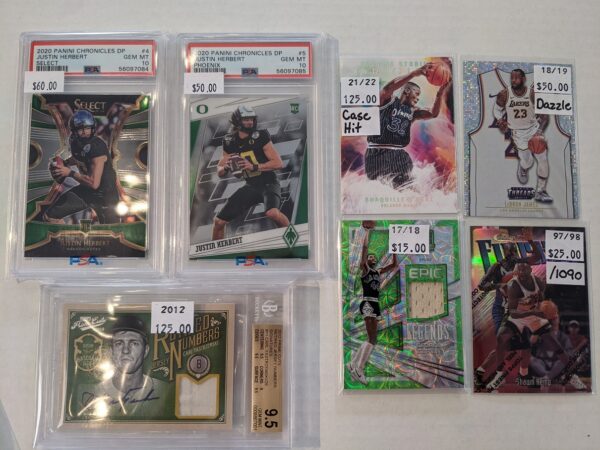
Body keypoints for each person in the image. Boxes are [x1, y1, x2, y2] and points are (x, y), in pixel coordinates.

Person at [365, 63, 451, 188]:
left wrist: (440, 93)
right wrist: (413, 74)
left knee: (408, 190)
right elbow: (389, 87)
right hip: (377, 153)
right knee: (379, 189)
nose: (418, 98)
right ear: (406, 91)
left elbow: (433, 113)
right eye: (417, 94)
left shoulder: (413, 111)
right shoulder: (387, 101)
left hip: (399, 155)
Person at [486, 263, 569, 390]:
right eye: (519, 272)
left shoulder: (538, 282)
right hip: (518, 315)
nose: (521, 274)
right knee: (501, 339)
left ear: (530, 270)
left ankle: (570, 373)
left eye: (524, 271)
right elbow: (513, 313)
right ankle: (499, 376)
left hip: (534, 314)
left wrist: (545, 309)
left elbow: (541, 299)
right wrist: (533, 312)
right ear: (515, 273)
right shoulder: (513, 286)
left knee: (554, 344)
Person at [212, 106, 290, 240]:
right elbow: (220, 170)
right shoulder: (229, 141)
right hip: (251, 186)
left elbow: (278, 163)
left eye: (252, 119)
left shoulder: (261, 136)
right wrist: (226, 168)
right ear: (237, 121)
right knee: (219, 222)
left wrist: (253, 166)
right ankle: (215, 250)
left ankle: (293, 240)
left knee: (272, 213)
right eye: (246, 119)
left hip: (268, 182)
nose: (250, 122)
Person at [75, 315, 168, 418]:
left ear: (145, 351)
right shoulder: (89, 394)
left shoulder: (164, 390)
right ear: (111, 351)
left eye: (134, 343)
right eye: (119, 343)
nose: (126, 350)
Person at [46, 109, 121, 224]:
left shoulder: (97, 147)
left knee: (112, 231)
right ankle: (66, 235)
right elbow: (79, 156)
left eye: (87, 128)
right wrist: (64, 163)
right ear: (74, 131)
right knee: (51, 216)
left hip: (105, 195)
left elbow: (94, 183)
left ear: (92, 128)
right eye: (80, 129)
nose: (84, 132)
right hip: (87, 191)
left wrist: (69, 172)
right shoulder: (75, 141)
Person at [346, 225, 398, 385]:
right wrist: (366, 235)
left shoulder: (377, 272)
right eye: (370, 258)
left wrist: (395, 248)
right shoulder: (365, 270)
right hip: (368, 302)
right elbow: (364, 253)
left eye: (374, 258)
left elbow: (393, 265)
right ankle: (359, 369)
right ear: (367, 261)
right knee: (372, 339)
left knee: (372, 338)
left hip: (374, 304)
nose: (372, 258)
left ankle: (352, 363)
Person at [494, 68, 552, 203]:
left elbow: (544, 116)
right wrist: (500, 120)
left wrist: (539, 132)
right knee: (528, 162)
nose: (513, 80)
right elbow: (496, 110)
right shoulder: (504, 94)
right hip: (518, 134)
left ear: (524, 79)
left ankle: (541, 191)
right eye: (512, 78)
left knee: (543, 159)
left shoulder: (532, 94)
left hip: (534, 130)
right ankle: (523, 167)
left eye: (516, 78)